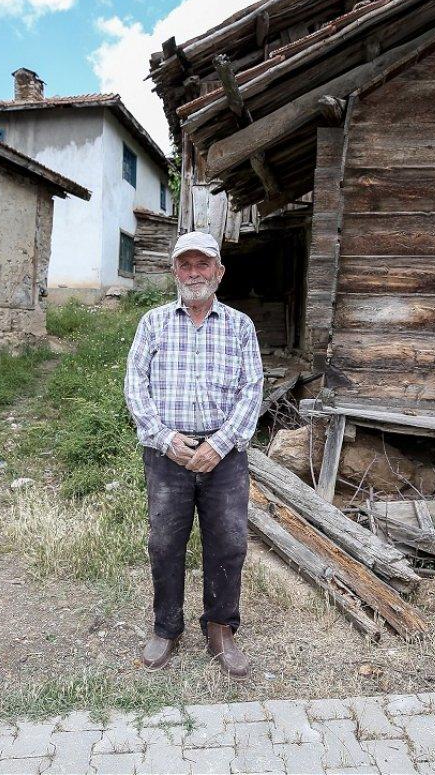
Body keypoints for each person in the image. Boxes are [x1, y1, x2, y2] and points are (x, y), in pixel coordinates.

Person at [123, 230, 263, 680]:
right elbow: (135, 388)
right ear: (174, 272)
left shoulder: (240, 326)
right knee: (164, 543)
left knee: (229, 543)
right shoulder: (153, 323)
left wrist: (220, 444)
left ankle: (221, 629)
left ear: (219, 272)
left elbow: (251, 390)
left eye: (203, 264)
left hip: (225, 453)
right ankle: (167, 628)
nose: (194, 272)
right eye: (186, 264)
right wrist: (165, 439)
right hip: (168, 452)